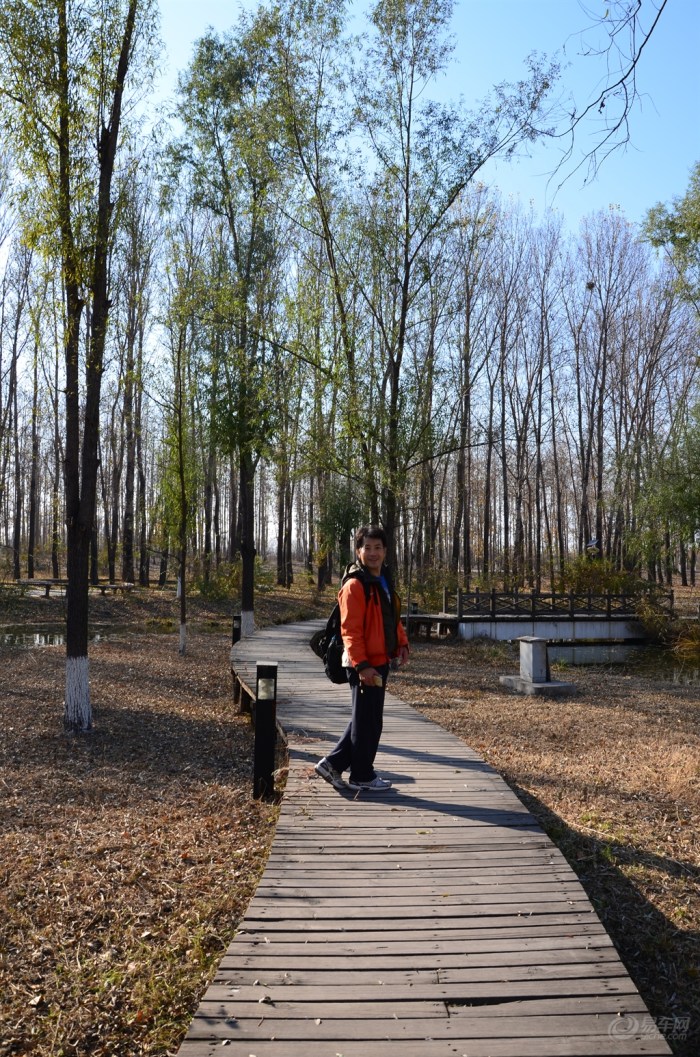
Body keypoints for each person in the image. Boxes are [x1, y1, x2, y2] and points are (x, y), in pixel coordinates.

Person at [315, 525, 409, 792]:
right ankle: (362, 775)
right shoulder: (355, 585)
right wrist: (362, 666)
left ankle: (332, 765)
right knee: (368, 721)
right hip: (363, 663)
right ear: (358, 551)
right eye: (367, 547)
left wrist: (401, 644)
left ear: (386, 551)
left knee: (365, 718)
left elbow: (392, 619)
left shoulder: (383, 581)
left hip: (379, 659)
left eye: (378, 547)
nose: (373, 553)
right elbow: (350, 631)